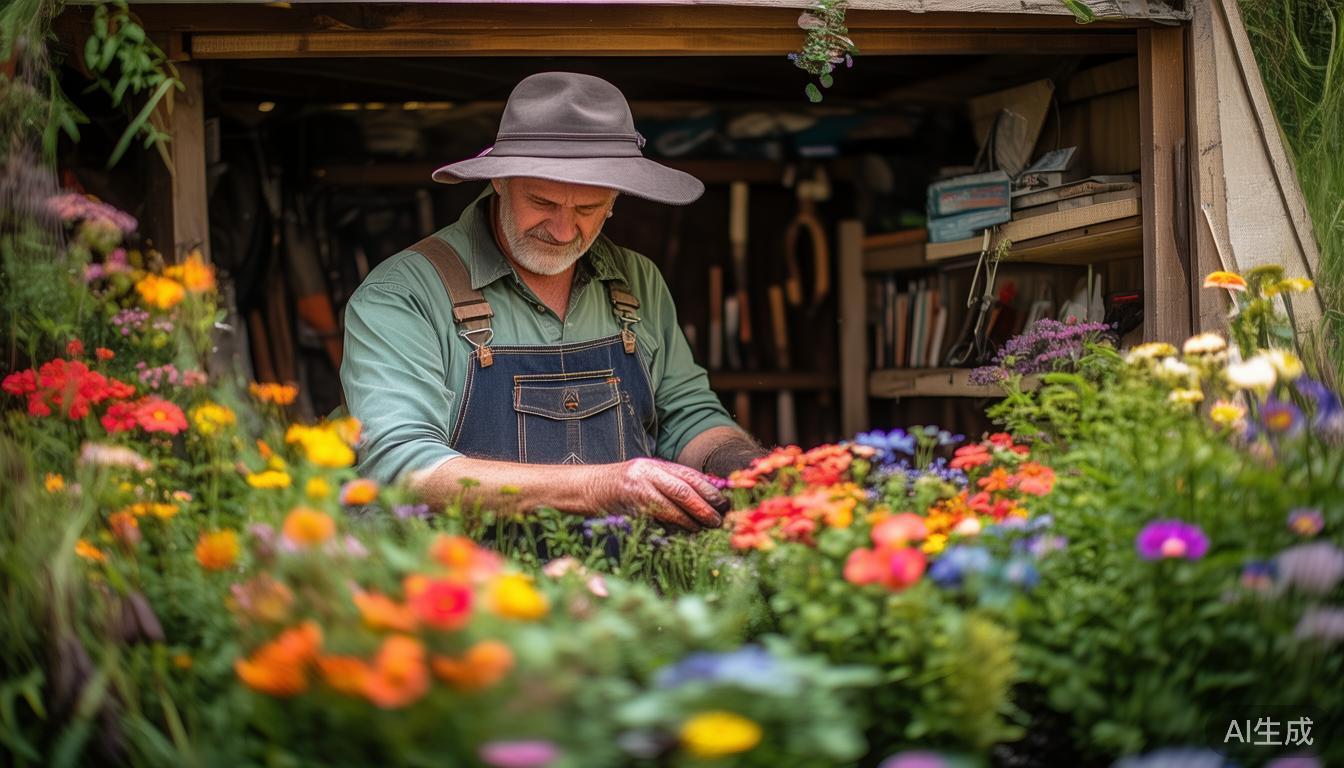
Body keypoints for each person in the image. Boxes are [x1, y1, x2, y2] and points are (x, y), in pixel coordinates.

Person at [340, 72, 766, 532]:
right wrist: (600, 488)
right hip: (464, 592)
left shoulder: (636, 280)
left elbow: (687, 414)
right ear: (500, 180)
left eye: (587, 209)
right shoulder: (404, 294)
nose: (563, 231)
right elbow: (403, 468)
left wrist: (746, 467)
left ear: (615, 199)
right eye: (542, 201)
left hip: (622, 592)